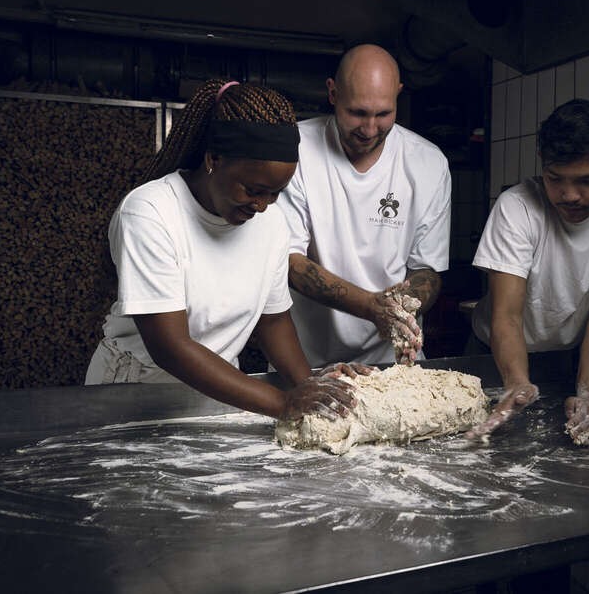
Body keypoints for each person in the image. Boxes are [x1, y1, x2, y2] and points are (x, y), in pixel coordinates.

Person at [85, 79, 370, 422]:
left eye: (275, 193)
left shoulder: (272, 224)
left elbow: (273, 321)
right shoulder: (150, 212)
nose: (262, 206)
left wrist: (309, 386)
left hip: (221, 391)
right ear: (214, 159)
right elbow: (170, 347)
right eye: (253, 190)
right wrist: (284, 404)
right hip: (136, 393)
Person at [466, 98, 589, 447]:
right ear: (543, 164)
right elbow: (507, 316)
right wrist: (517, 384)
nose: (569, 195)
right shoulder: (517, 207)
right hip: (491, 353)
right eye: (555, 179)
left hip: (563, 359)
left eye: (588, 181)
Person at [277, 44, 452, 368]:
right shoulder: (294, 149)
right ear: (333, 93)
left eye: (383, 114)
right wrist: (371, 307)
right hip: (306, 362)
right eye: (357, 113)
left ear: (398, 94)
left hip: (391, 363)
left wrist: (399, 310)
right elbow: (289, 263)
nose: (370, 129)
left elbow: (426, 270)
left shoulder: (429, 163)